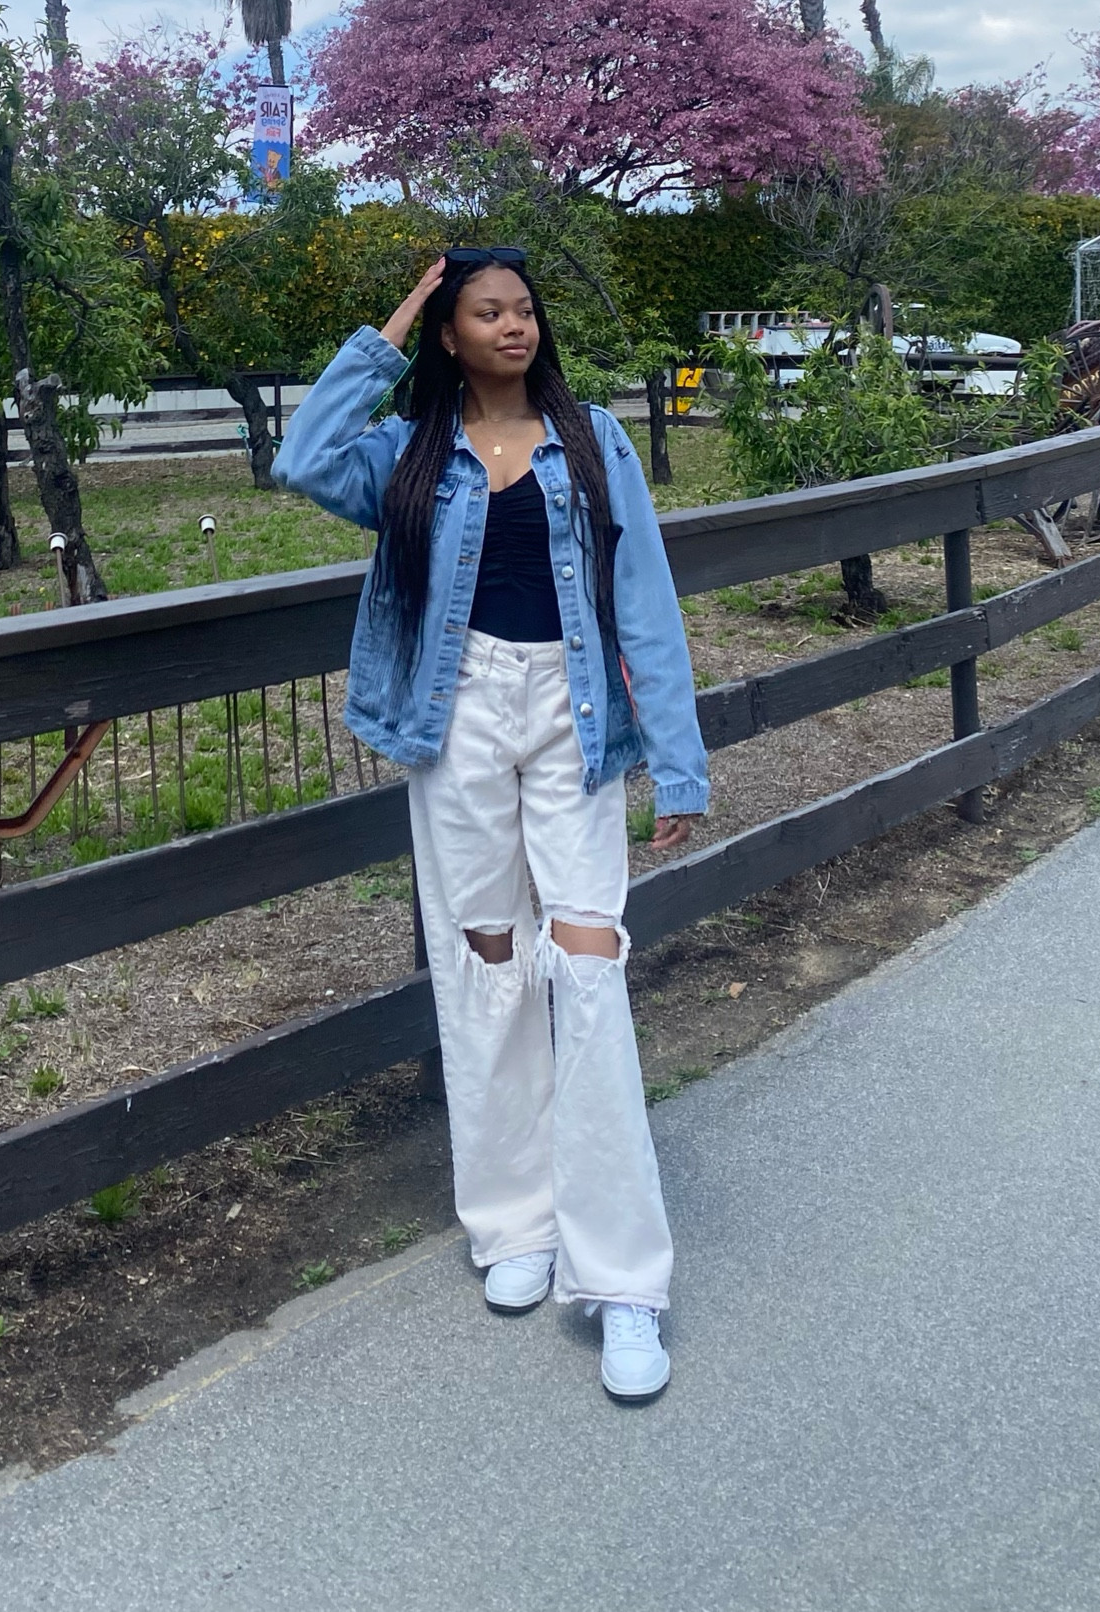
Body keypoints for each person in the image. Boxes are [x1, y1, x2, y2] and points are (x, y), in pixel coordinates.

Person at [272, 247, 709, 1401]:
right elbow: (300, 454)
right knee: (485, 964)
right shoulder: (408, 457)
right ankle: (514, 1222)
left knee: (589, 970)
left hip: (570, 716)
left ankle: (625, 1280)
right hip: (452, 713)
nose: (514, 325)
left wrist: (679, 761)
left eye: (524, 309)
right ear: (451, 333)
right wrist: (389, 325)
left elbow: (644, 601)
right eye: (486, 310)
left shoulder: (596, 442)